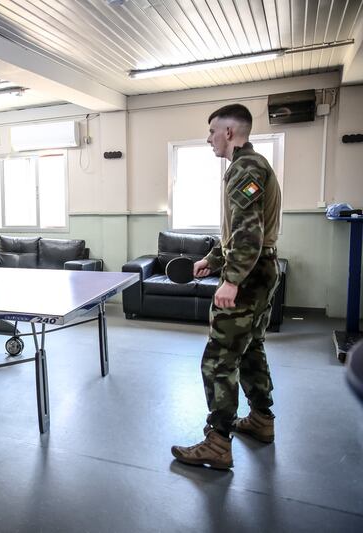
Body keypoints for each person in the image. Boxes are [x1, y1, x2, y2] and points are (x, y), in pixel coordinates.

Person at [171, 104, 282, 470]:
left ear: (229, 133)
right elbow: (238, 230)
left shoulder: (245, 168)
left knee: (218, 359)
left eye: (211, 132)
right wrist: (213, 259)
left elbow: (248, 233)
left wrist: (231, 279)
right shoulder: (252, 165)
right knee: (250, 348)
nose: (209, 140)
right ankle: (261, 420)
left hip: (249, 276)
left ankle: (217, 442)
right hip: (260, 269)